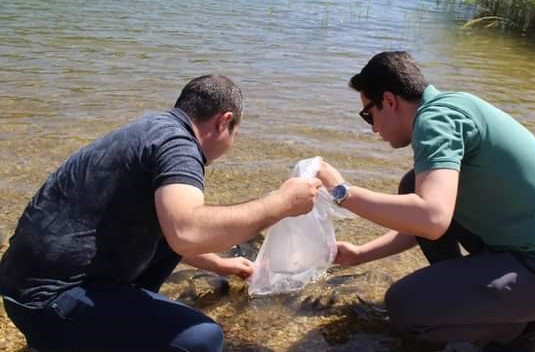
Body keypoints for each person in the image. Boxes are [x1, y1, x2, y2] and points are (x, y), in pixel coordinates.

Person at [0, 75, 322, 352]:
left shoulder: (151, 130)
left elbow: (172, 234)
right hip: (48, 307)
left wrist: (221, 264)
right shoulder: (179, 146)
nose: (232, 143)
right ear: (224, 121)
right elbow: (187, 231)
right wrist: (281, 202)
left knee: (161, 233)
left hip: (21, 295)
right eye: (235, 133)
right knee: (204, 339)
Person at [317, 51, 535, 351]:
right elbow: (425, 221)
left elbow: (432, 218)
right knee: (414, 184)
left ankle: (526, 328)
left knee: (403, 307)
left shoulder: (434, 121)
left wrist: (342, 192)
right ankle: (472, 302)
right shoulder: (451, 106)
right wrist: (359, 254)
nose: (373, 128)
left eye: (368, 115)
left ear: (389, 100)